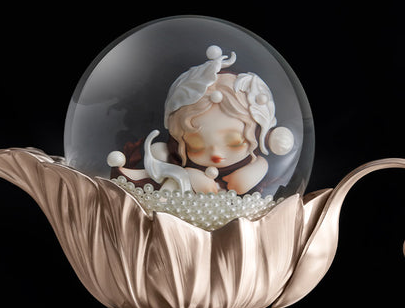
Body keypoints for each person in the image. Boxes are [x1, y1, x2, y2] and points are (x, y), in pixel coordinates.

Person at [108, 46, 294, 197]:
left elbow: (258, 176)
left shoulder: (258, 161)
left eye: (235, 143)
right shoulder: (179, 161)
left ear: (259, 135)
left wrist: (251, 174)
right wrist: (188, 175)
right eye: (196, 146)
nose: (216, 154)